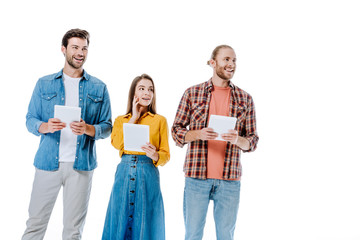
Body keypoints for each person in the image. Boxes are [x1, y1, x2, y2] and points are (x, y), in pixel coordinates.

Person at [23, 28, 112, 240]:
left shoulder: (99, 87)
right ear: (64, 49)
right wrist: (45, 126)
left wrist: (89, 129)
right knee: (35, 224)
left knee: (73, 230)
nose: (80, 52)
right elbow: (30, 119)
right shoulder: (44, 83)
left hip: (81, 166)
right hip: (47, 164)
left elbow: (107, 125)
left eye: (84, 48)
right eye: (75, 47)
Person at [171, 45, 259, 240]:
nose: (231, 64)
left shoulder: (245, 99)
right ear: (213, 63)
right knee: (193, 235)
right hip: (196, 178)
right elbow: (176, 131)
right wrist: (197, 134)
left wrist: (238, 139)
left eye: (234, 60)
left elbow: (252, 141)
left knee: (225, 236)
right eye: (226, 59)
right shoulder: (192, 93)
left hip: (229, 181)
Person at [102, 74, 170, 240]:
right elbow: (117, 144)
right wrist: (133, 118)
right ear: (134, 94)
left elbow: (166, 155)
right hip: (124, 171)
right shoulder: (121, 120)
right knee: (120, 215)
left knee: (146, 218)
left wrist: (154, 154)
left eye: (150, 89)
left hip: (148, 172)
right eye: (142, 88)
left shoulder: (160, 120)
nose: (147, 93)